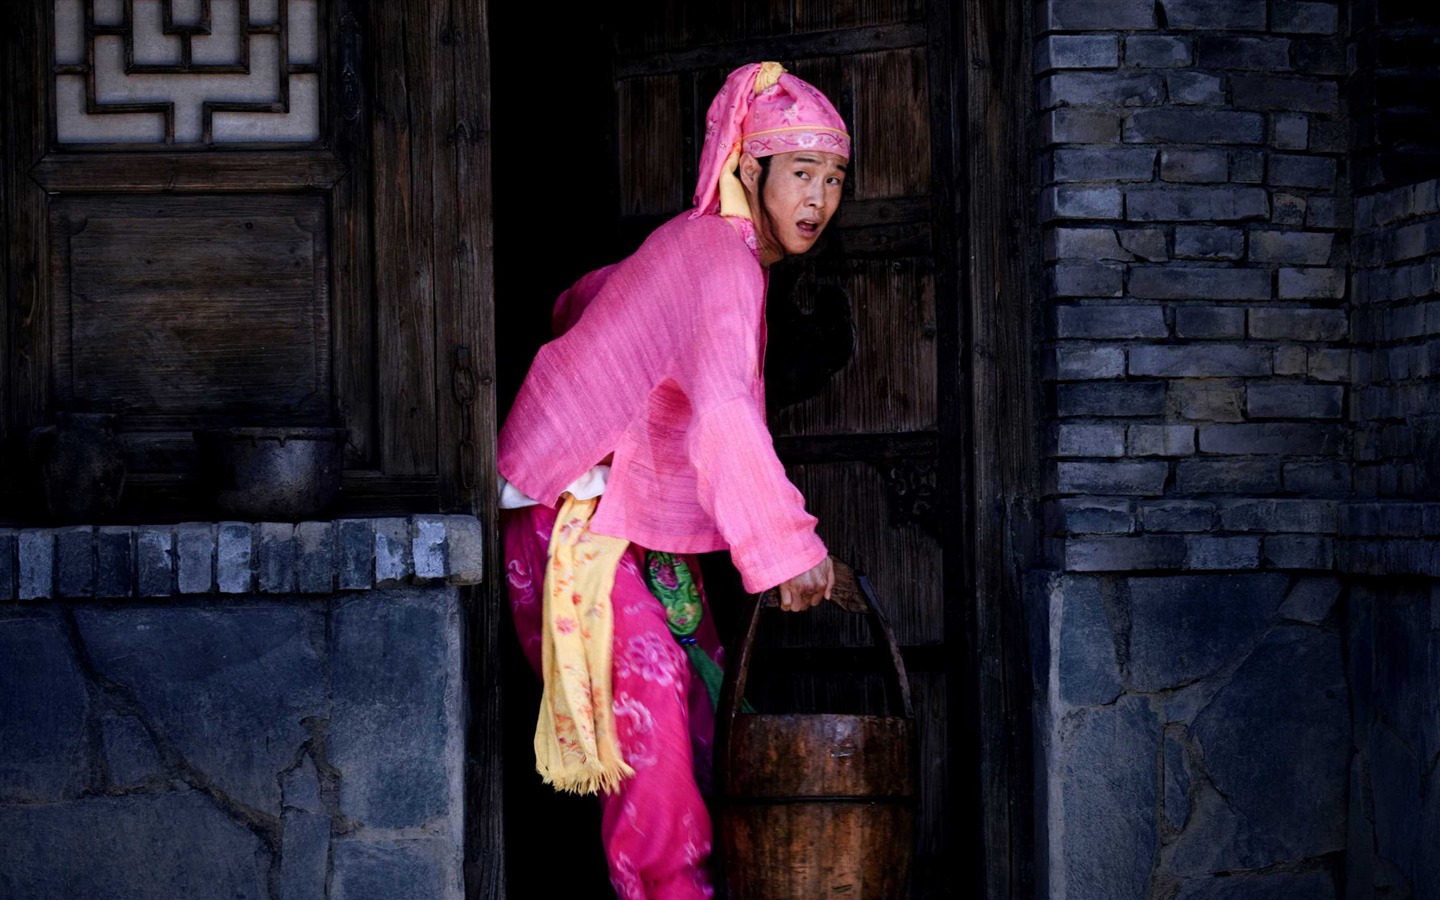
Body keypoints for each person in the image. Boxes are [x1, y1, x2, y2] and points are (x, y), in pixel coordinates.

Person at [497, 61, 849, 900]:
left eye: (835, 178)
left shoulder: (709, 251)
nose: (821, 199)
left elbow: (584, 299)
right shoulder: (720, 257)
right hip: (578, 518)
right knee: (653, 732)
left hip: (629, 517)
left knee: (701, 712)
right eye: (802, 173)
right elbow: (725, 412)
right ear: (750, 169)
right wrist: (788, 548)